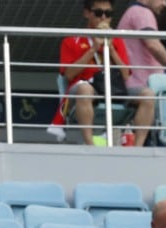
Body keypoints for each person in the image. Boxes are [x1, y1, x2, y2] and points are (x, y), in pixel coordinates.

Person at [53, 0, 156, 148]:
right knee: (85, 89)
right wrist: (93, 48)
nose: (103, 18)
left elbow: (126, 75)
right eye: (98, 13)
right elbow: (68, 75)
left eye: (108, 14)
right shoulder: (71, 40)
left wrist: (112, 49)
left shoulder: (117, 40)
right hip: (87, 87)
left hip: (114, 88)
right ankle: (90, 145)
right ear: (86, 13)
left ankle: (137, 148)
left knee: (148, 94)